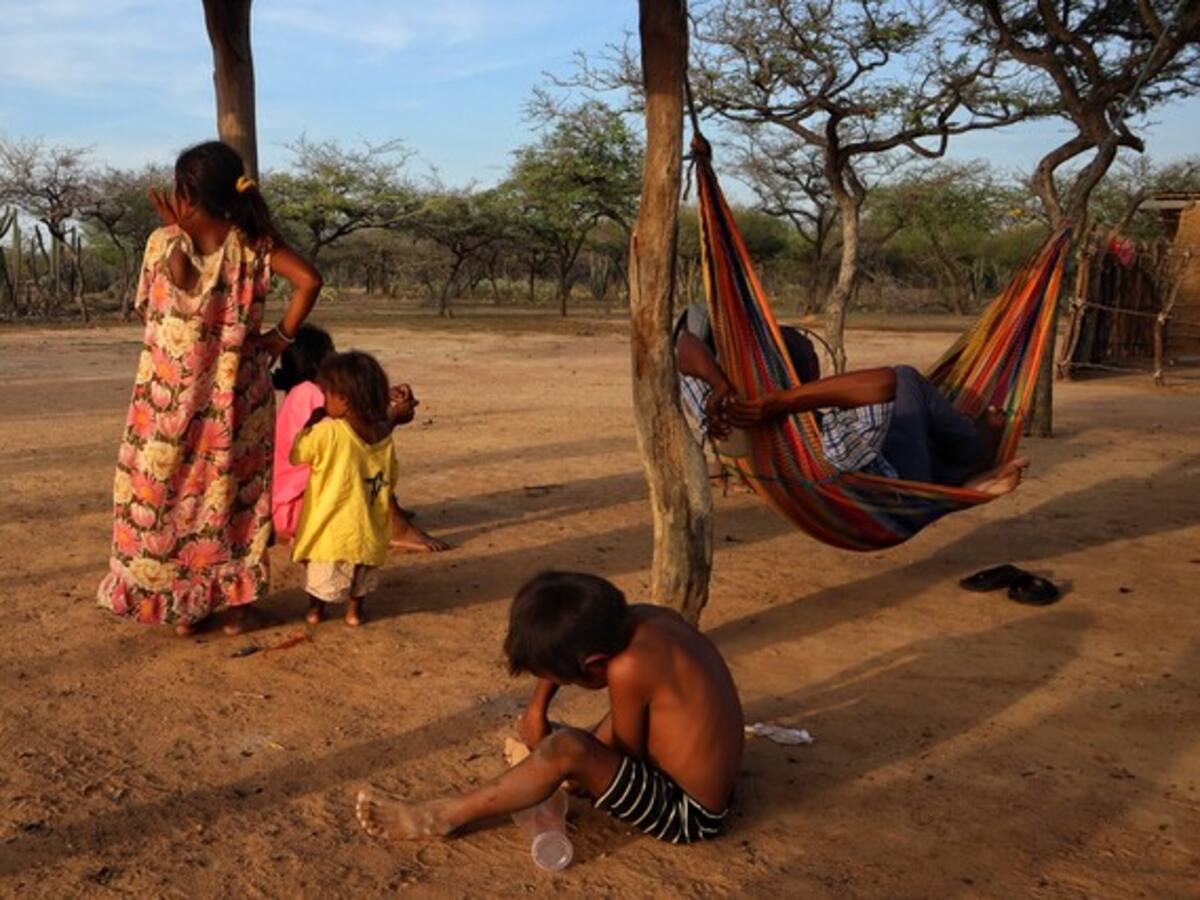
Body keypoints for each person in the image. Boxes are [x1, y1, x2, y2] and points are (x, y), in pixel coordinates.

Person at [97, 140, 322, 636]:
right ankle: (236, 607)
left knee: (163, 496)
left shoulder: (163, 242)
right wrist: (280, 338)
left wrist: (176, 231)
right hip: (236, 400)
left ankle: (184, 606)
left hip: (166, 403)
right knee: (231, 497)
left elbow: (167, 295)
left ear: (185, 193)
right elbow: (309, 279)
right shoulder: (254, 242)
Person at [355, 571, 744, 845]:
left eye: (565, 678)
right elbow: (563, 645)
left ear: (594, 664)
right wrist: (536, 710)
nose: (559, 683)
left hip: (691, 814)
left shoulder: (630, 668)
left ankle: (441, 816)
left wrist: (573, 772)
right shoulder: (642, 618)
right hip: (701, 777)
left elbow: (626, 758)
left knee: (565, 748)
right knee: (567, 744)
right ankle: (553, 758)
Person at [677, 304, 1027, 495]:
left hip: (787, 458)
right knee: (908, 381)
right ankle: (972, 460)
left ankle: (962, 463)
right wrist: (783, 401)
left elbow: (679, 343)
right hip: (901, 478)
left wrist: (719, 384)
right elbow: (889, 381)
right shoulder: (824, 441)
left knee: (910, 415)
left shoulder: (717, 411)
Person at [272, 324, 447, 552]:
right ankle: (394, 526)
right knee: (368, 454)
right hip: (300, 509)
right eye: (332, 354)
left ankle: (386, 512)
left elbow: (354, 412)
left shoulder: (304, 392)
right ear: (318, 364)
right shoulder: (310, 392)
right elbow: (360, 436)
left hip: (290, 508)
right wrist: (393, 417)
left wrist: (384, 395)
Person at [290, 351, 406, 627]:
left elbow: (297, 453)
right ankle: (354, 613)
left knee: (322, 573)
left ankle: (315, 610)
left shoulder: (328, 432)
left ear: (343, 400)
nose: (324, 400)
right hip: (367, 527)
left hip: (330, 528)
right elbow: (391, 476)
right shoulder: (382, 437)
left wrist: (312, 421)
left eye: (327, 394)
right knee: (361, 573)